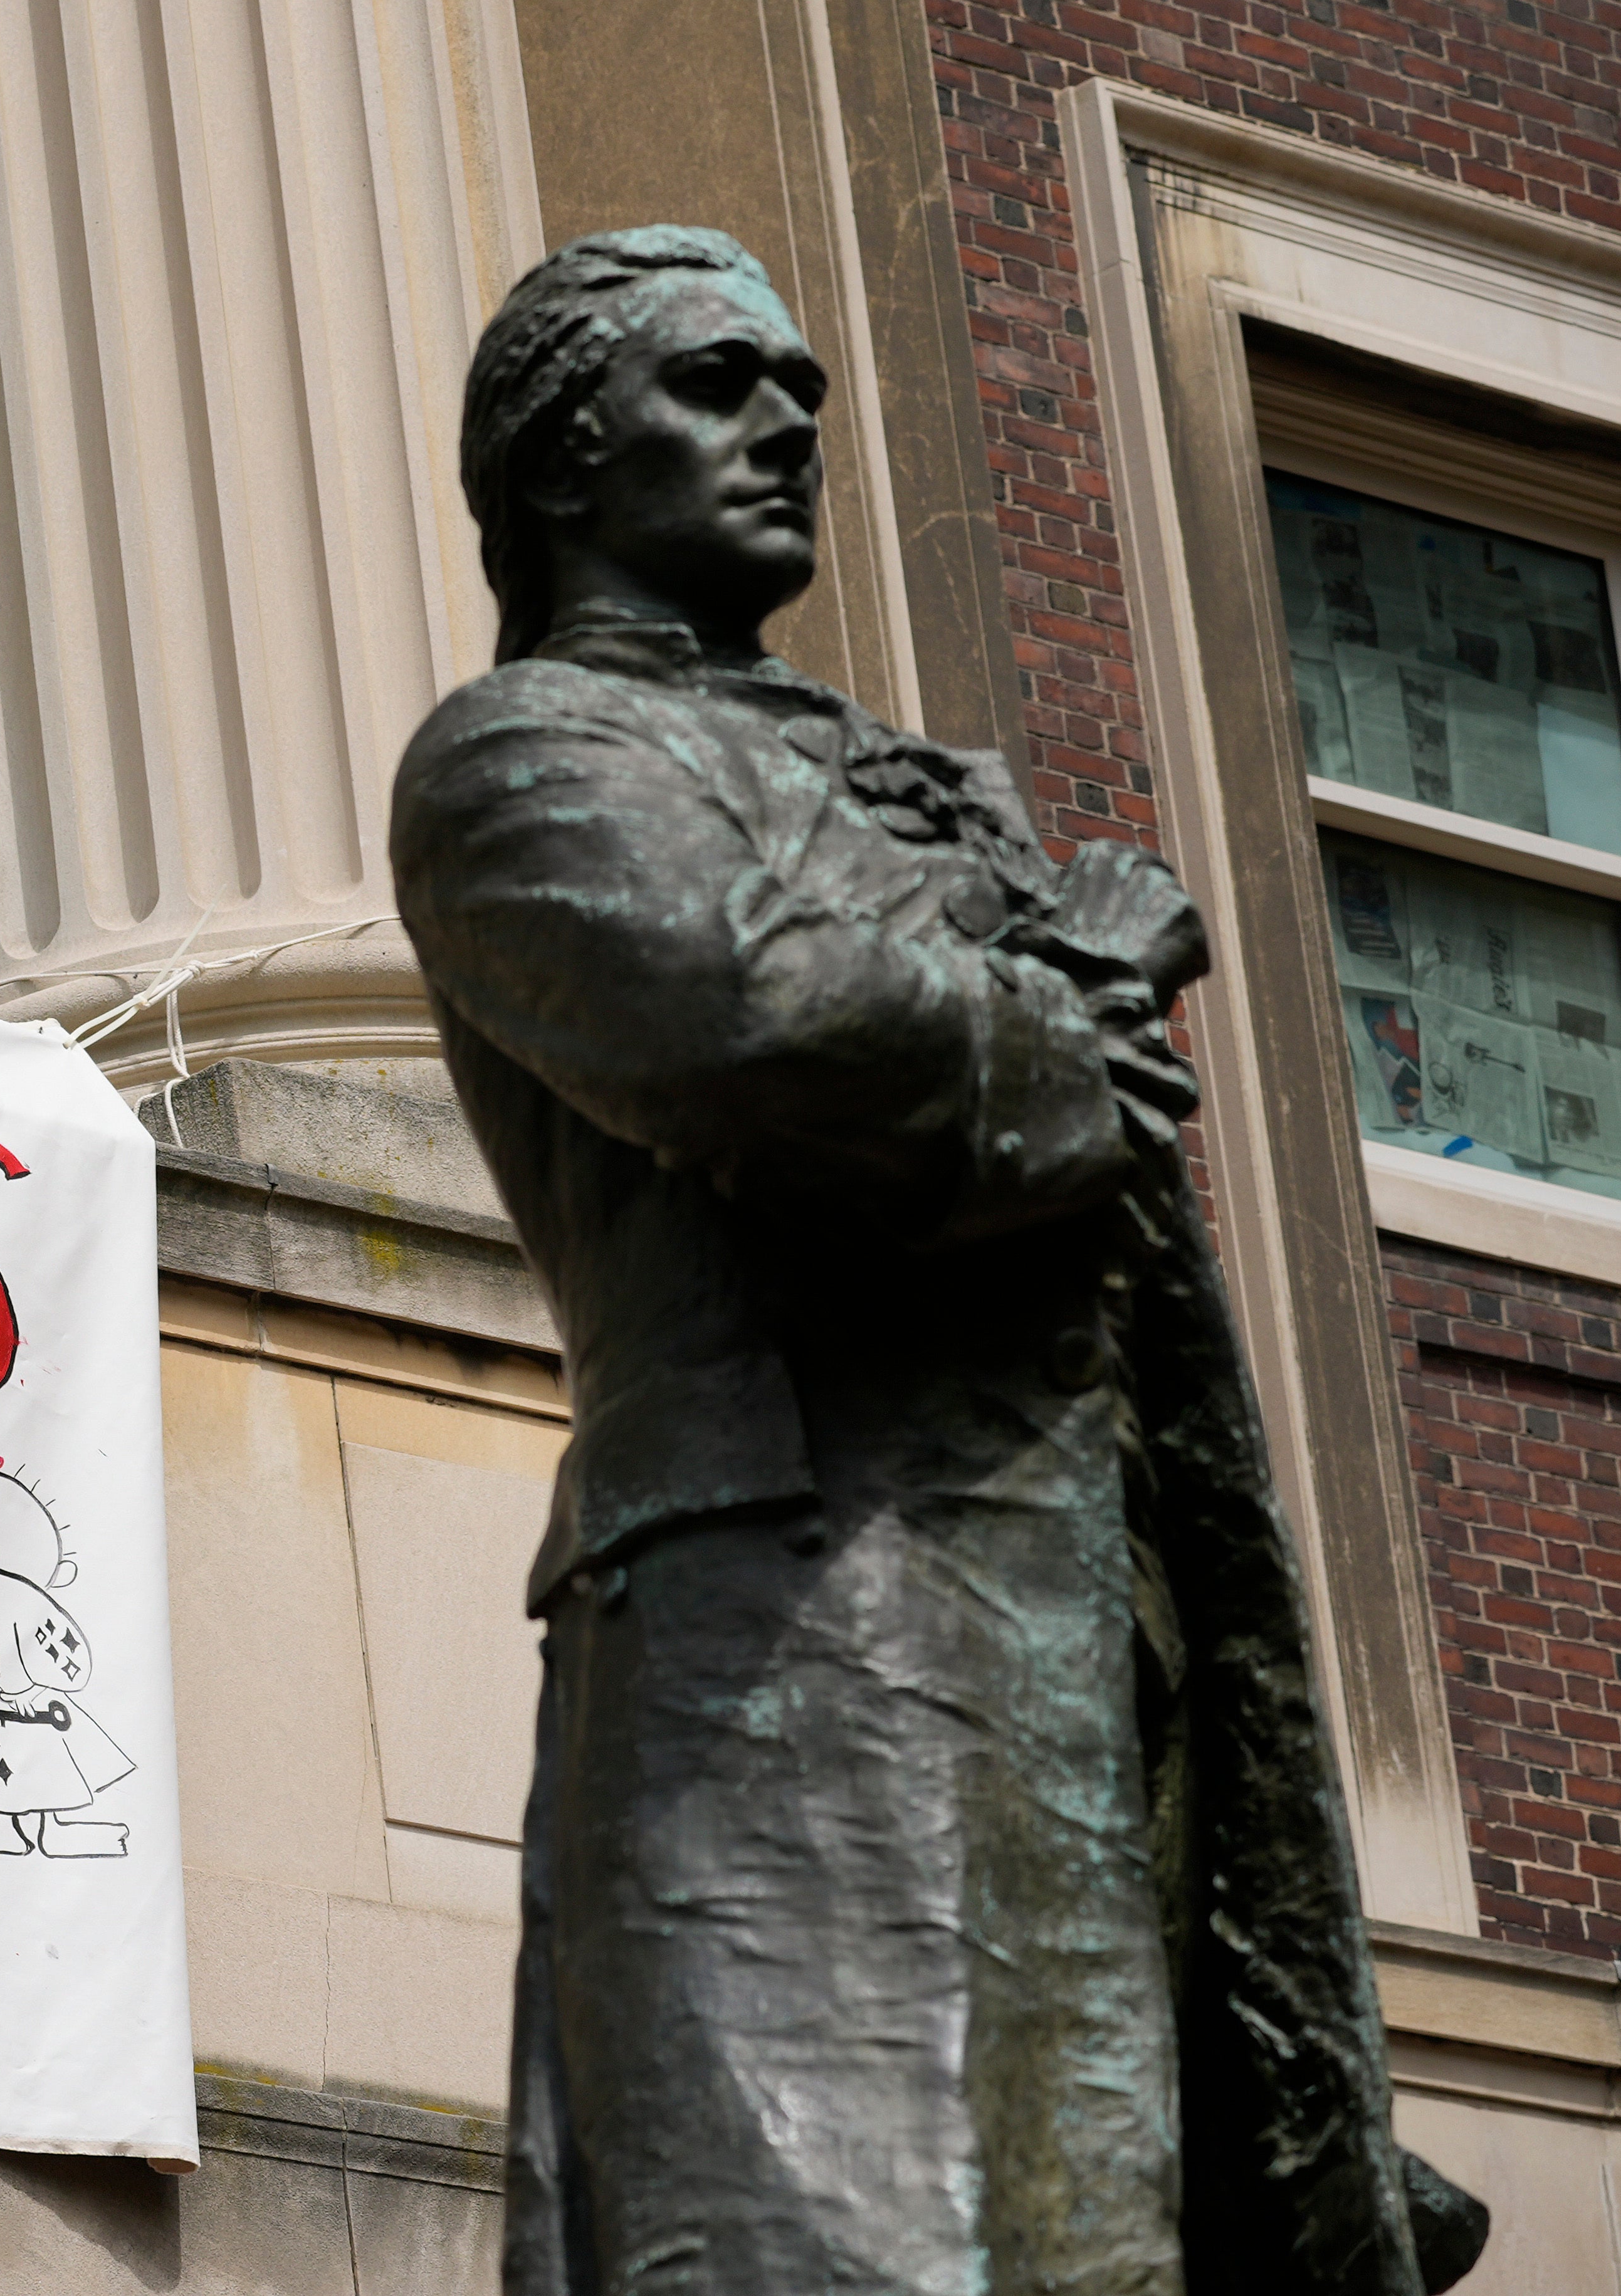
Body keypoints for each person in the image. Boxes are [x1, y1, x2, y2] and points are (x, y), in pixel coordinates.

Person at [387, 228, 1483, 2296]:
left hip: (1087, 1632)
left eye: (800, 379)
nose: (787, 416)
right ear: (555, 463)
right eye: (714, 381)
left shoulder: (895, 786)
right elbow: (773, 1034)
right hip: (799, 1613)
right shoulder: (524, 758)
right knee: (827, 2234)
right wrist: (1081, 987)